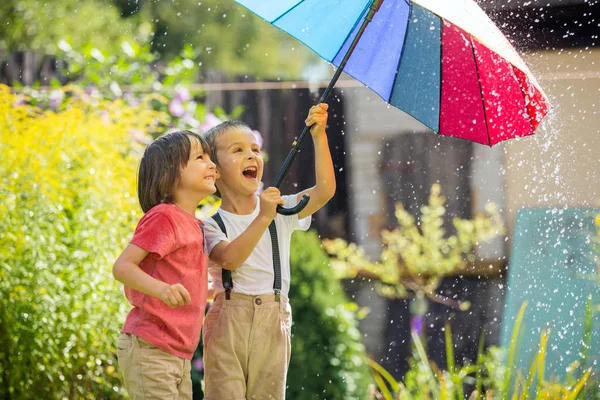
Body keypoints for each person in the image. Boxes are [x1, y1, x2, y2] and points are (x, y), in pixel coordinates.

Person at [202, 104, 336, 399]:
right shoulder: (211, 226)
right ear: (215, 170)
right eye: (237, 151)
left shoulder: (283, 210)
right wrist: (264, 216)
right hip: (228, 320)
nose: (251, 155)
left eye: (254, 149)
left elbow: (325, 190)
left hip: (273, 318)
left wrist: (319, 136)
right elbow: (229, 258)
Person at [113, 130, 216, 400]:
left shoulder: (196, 226)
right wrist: (161, 290)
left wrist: (209, 293)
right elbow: (122, 267)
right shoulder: (164, 217)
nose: (212, 164)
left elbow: (183, 279)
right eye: (200, 157)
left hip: (177, 355)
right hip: (151, 348)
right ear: (171, 174)